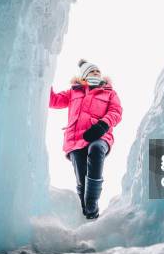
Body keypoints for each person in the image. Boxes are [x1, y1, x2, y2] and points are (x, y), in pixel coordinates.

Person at [49, 59, 123, 219]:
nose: (96, 73)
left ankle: (92, 204)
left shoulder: (109, 92)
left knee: (96, 149)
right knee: (81, 179)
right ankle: (88, 216)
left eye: (98, 71)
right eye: (92, 71)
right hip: (75, 140)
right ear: (84, 75)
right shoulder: (73, 92)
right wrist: (44, 79)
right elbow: (53, 101)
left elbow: (116, 112)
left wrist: (103, 125)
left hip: (99, 135)